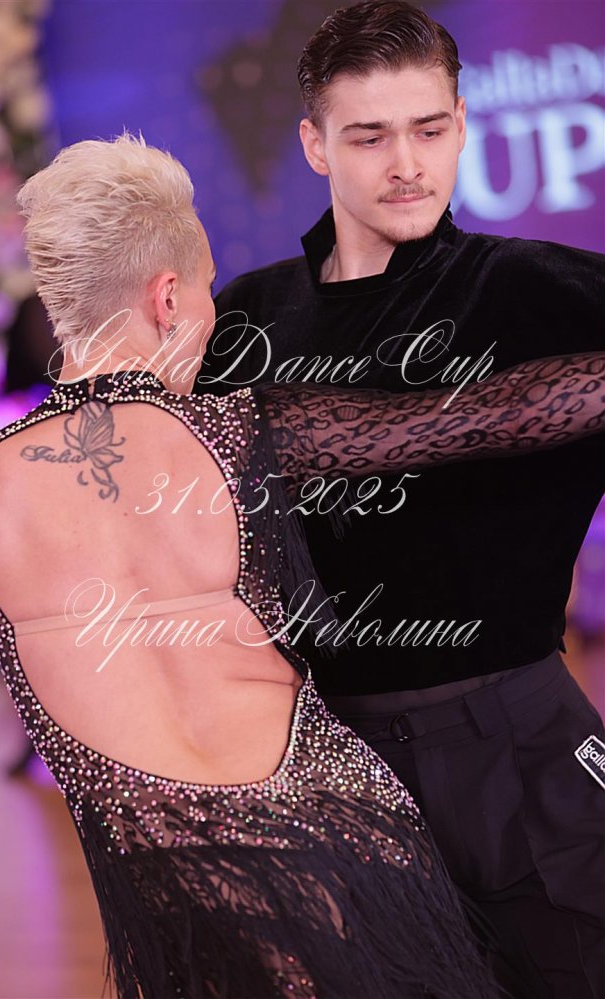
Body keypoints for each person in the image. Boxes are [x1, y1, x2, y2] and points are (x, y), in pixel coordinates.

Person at [0, 134, 602, 999]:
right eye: (208, 289)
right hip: (355, 858)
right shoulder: (244, 430)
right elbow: (487, 416)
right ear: (167, 297)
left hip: (189, 896)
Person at [196, 3, 605, 997]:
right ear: (315, 145)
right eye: (370, 137)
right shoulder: (245, 317)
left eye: (428, 129)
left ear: (461, 125)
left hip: (521, 752)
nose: (407, 164)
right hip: (330, 769)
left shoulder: (537, 290)